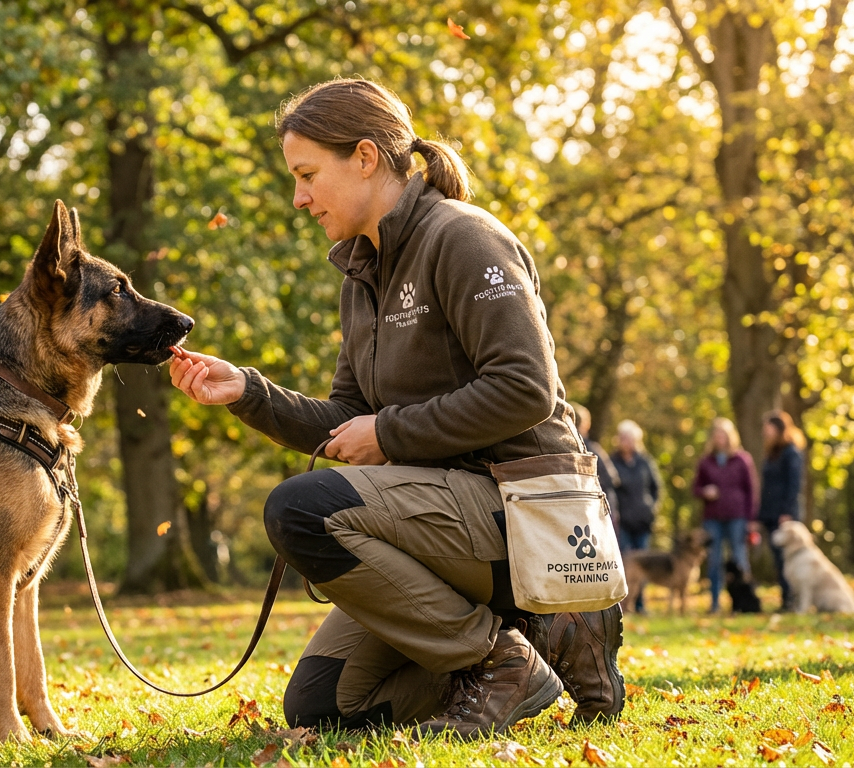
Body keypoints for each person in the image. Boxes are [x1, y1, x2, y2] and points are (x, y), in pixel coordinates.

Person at [167, 79, 623, 738]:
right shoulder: (362, 276)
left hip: (521, 512)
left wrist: (388, 432)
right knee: (325, 706)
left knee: (299, 510)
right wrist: (249, 392)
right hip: (438, 514)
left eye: (306, 175)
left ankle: (501, 660)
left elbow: (526, 388)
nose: (298, 198)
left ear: (364, 157)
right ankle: (538, 642)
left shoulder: (464, 239)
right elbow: (347, 420)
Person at [693, 417, 757, 612]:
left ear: (730, 437)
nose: (720, 439)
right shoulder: (705, 461)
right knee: (714, 560)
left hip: (737, 516)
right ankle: (714, 603)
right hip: (713, 517)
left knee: (739, 559)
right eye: (717, 435)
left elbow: (751, 490)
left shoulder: (742, 460)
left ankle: (743, 602)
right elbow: (695, 488)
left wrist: (751, 519)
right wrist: (705, 492)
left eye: (724, 435)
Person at [610, 419, 661, 612]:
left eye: (629, 438)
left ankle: (640, 604)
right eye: (623, 437)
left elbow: (656, 488)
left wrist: (652, 508)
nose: (626, 441)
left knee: (644, 567)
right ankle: (621, 604)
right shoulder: (612, 461)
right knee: (623, 564)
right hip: (623, 521)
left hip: (643, 520)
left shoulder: (645, 462)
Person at [757, 410, 806, 612]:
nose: (764, 431)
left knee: (790, 559)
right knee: (778, 560)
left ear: (778, 429)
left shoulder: (790, 452)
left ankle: (793, 600)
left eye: (768, 427)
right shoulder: (771, 454)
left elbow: (794, 484)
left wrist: (786, 511)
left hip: (784, 513)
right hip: (770, 512)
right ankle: (786, 599)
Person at [571, 403, 621, 534]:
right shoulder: (592, 449)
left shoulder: (559, 449)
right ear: (585, 425)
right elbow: (612, 479)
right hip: (597, 510)